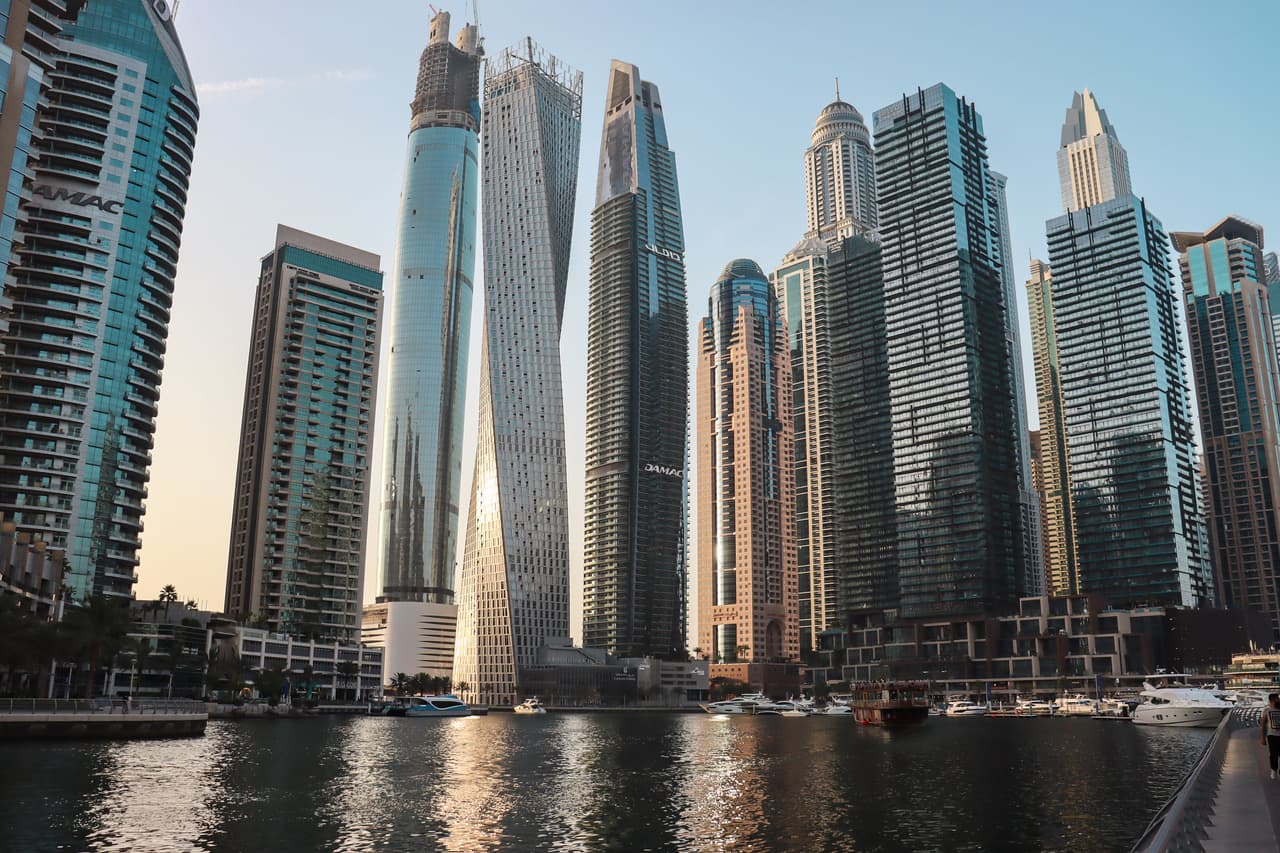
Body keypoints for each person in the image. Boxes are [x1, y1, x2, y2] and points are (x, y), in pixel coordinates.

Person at [1262, 693, 1280, 779]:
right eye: (1277, 698)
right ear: (1272, 700)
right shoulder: (1266, 711)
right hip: (1271, 735)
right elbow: (1263, 724)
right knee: (1273, 754)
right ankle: (1274, 770)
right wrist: (1262, 737)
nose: (1279, 700)